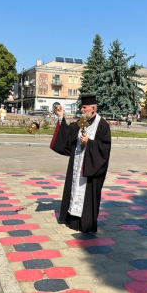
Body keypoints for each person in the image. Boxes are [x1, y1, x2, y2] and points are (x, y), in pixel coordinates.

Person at [50, 94, 111, 233]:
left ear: (93, 109)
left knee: (88, 194)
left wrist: (89, 143)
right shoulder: (80, 122)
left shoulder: (102, 125)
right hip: (77, 167)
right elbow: (67, 135)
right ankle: (73, 221)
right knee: (74, 189)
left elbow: (105, 147)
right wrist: (61, 117)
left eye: (84, 107)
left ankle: (86, 224)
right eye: (82, 107)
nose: (82, 110)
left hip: (91, 168)